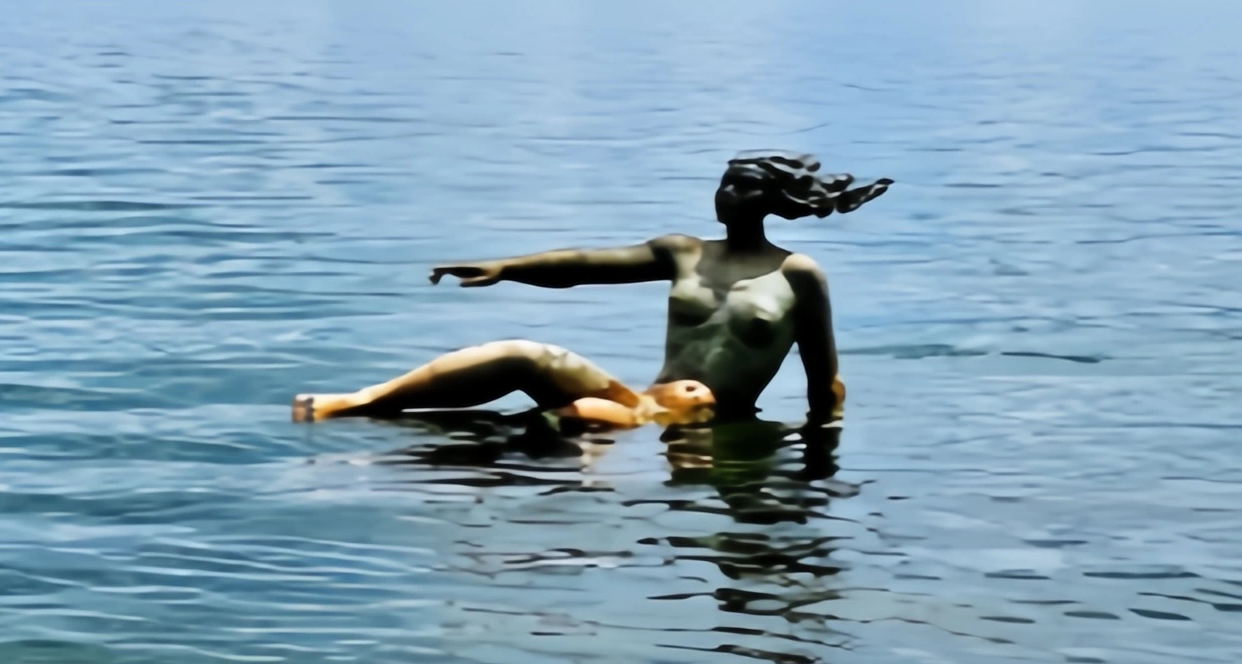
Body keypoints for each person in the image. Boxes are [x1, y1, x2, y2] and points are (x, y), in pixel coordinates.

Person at [292, 154, 889, 429]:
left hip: (711, 422)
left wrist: (820, 458)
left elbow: (823, 381)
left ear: (772, 203)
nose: (726, 195)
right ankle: (358, 403)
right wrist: (505, 267)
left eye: (741, 188)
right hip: (644, 400)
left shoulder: (798, 275)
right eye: (724, 184)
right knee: (527, 355)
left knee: (562, 423)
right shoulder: (685, 252)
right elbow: (582, 265)